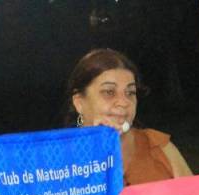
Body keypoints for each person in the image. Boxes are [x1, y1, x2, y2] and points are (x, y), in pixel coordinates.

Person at [64, 48, 192, 185]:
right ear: (79, 103)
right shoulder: (58, 158)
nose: (124, 102)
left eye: (130, 92)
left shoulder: (160, 147)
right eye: (109, 92)